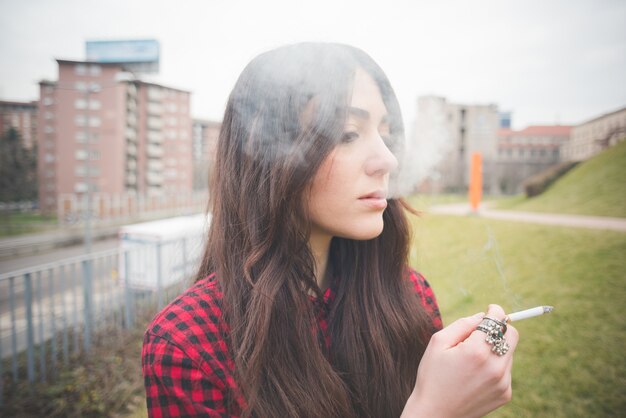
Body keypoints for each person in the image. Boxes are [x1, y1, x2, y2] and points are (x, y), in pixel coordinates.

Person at [142, 42, 519, 418]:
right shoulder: (188, 344)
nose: (387, 160)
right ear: (265, 154)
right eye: (348, 134)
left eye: (386, 135)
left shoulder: (408, 295)